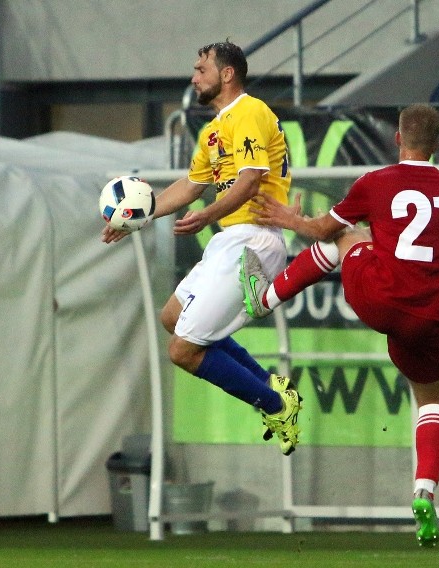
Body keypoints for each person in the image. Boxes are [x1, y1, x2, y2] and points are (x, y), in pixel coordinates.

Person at [239, 103, 439, 547]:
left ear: (397, 138)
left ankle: (264, 298)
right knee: (432, 400)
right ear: (437, 146)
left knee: (348, 237)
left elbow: (323, 229)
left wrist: (290, 219)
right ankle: (424, 491)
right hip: (431, 310)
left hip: (382, 298)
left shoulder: (376, 182)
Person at [102, 41, 302, 455]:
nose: (194, 77)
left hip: (254, 238)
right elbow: (190, 186)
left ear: (227, 74)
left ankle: (276, 404)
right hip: (230, 238)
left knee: (183, 351)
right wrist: (137, 216)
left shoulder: (248, 111)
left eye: (201, 69)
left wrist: (207, 215)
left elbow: (248, 181)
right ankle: (271, 386)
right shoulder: (214, 129)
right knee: (172, 318)